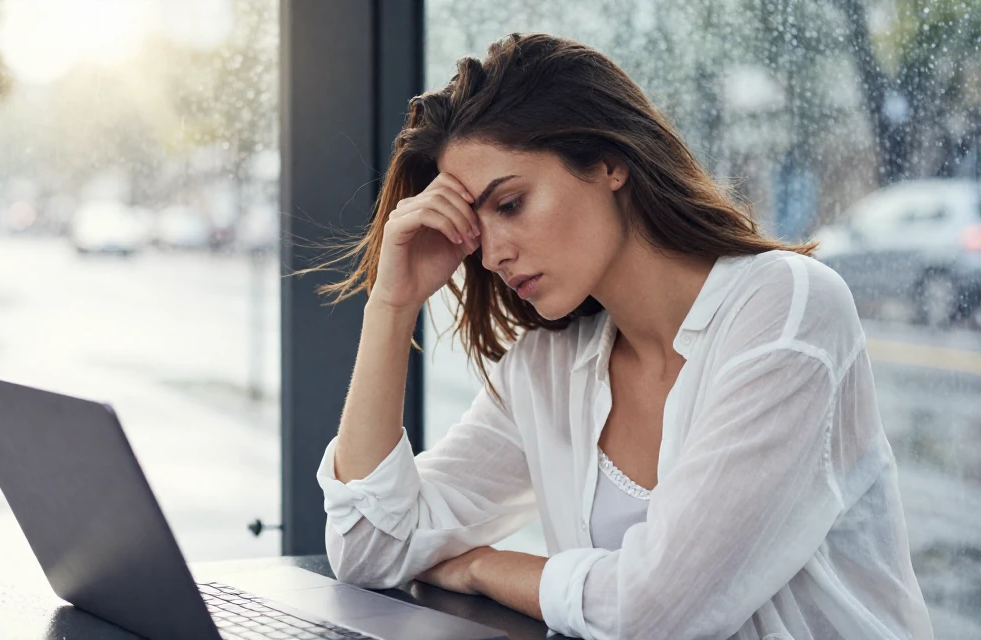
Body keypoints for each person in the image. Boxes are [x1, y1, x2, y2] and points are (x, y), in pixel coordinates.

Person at [312, 33, 934, 639]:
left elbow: (659, 613)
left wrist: (480, 567)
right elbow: (371, 549)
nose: (492, 253)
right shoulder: (548, 369)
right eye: (475, 226)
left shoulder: (787, 308)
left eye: (511, 204)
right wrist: (392, 304)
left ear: (610, 163)